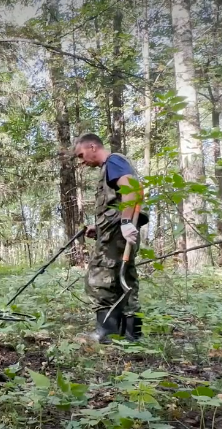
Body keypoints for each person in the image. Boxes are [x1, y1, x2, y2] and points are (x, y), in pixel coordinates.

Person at [73, 133, 148, 344]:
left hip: (117, 235)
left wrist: (125, 223)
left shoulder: (113, 161)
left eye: (81, 155)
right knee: (124, 280)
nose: (82, 161)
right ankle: (130, 334)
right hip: (116, 234)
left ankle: (106, 333)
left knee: (99, 279)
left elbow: (132, 189)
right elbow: (118, 203)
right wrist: (99, 227)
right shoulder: (112, 166)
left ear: (93, 147)